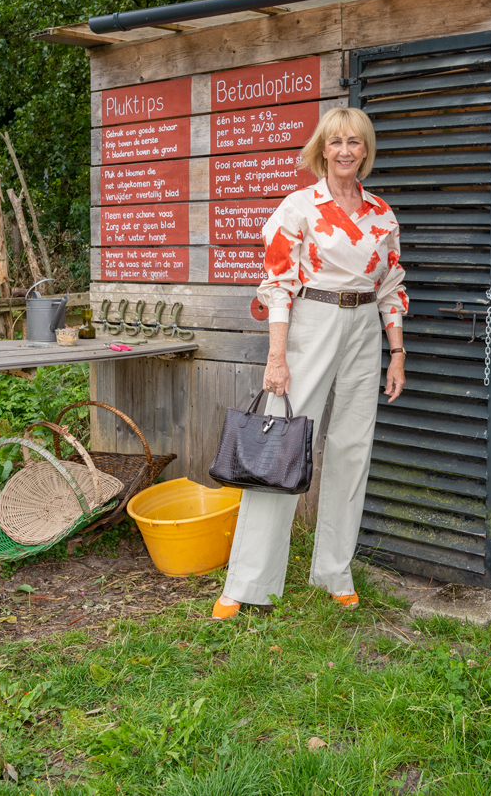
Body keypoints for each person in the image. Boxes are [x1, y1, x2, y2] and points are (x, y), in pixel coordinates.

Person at [212, 106, 408, 619]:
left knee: (352, 448)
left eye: (355, 142)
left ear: (365, 150)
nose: (345, 151)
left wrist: (397, 354)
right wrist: (276, 357)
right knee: (281, 446)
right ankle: (248, 583)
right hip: (312, 322)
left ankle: (333, 572)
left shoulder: (381, 214)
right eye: (336, 141)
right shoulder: (298, 207)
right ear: (322, 149)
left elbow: (391, 287)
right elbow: (277, 284)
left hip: (364, 328)